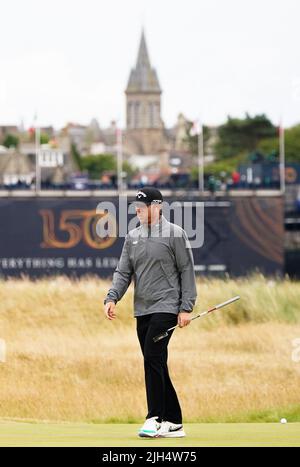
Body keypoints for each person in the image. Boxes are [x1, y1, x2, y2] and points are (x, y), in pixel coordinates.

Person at [103, 187, 197, 438]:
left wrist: (186, 306)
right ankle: (174, 422)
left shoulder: (175, 234)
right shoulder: (132, 236)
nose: (138, 210)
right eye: (136, 206)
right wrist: (112, 297)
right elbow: (123, 272)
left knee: (152, 358)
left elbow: (186, 270)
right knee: (156, 362)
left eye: (142, 206)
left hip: (166, 306)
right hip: (142, 308)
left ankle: (154, 417)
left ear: (157, 207)